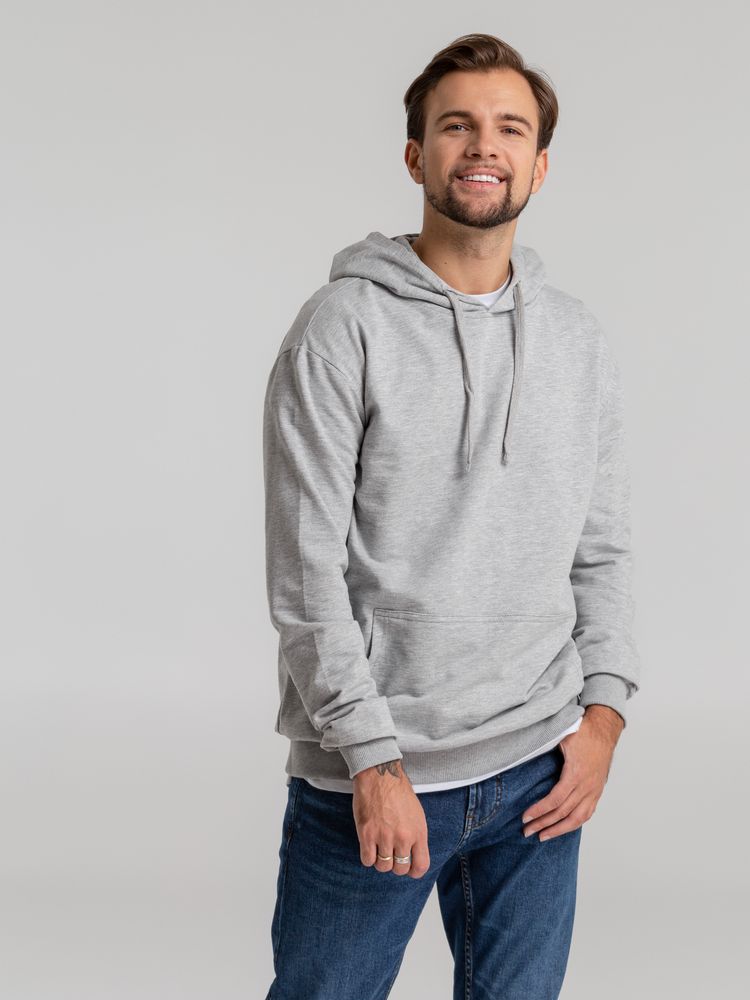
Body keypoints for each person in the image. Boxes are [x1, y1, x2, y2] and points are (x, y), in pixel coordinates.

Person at [261, 31, 641, 1000]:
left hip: (539, 769)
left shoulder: (576, 339)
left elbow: (601, 550)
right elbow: (306, 571)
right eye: (457, 125)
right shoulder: (343, 327)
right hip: (378, 778)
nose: (483, 146)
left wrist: (603, 717)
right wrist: (373, 759)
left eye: (510, 128)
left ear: (539, 165)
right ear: (415, 154)